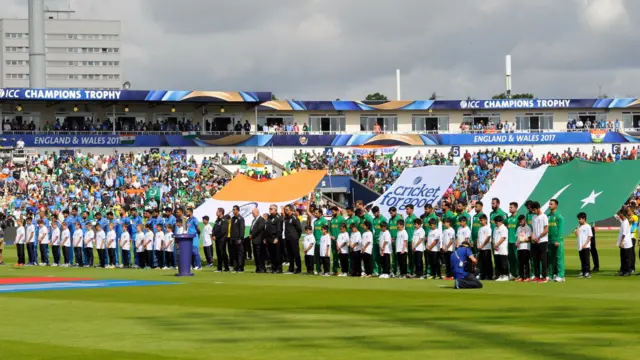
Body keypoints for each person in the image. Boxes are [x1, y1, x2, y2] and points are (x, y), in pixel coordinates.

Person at [546, 199, 565, 282]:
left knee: (559, 258)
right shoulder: (548, 216)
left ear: (556, 206)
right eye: (549, 204)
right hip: (549, 240)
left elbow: (560, 229)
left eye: (551, 204)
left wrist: (558, 240)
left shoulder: (559, 216)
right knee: (550, 258)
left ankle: (561, 276)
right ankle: (550, 275)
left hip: (557, 241)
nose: (549, 205)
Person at [531, 201, 549, 283]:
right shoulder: (533, 217)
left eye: (534, 210)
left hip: (542, 241)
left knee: (543, 259)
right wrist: (533, 236)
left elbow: (546, 230)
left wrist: (539, 237)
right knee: (536, 259)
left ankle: (544, 277)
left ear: (538, 208)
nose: (533, 211)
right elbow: (532, 230)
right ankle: (537, 276)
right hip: (535, 241)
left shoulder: (544, 216)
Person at [283, 205, 303, 274]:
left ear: (291, 210)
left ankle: (299, 269)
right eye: (285, 209)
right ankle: (291, 268)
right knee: (290, 254)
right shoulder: (286, 218)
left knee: (296, 254)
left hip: (293, 239)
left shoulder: (294, 218)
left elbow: (299, 229)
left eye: (287, 209)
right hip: (287, 238)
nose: (286, 211)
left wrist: (297, 237)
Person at [266, 205, 283, 274]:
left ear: (275, 210)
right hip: (269, 238)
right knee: (271, 254)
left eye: (271, 209)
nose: (269, 210)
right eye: (269, 208)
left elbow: (279, 229)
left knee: (277, 254)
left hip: (275, 238)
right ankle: (273, 267)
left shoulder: (278, 217)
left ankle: (279, 268)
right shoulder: (269, 217)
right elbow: (267, 228)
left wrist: (277, 238)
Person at [615, 209, 632, 276]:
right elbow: (619, 219)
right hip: (624, 243)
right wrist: (615, 215)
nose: (619, 215)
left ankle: (627, 271)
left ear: (622, 214)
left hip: (626, 243)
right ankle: (623, 270)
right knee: (623, 258)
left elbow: (624, 234)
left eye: (620, 214)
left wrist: (621, 243)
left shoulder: (625, 222)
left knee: (626, 258)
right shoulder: (623, 221)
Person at [575, 212, 593, 279]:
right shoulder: (579, 226)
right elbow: (577, 236)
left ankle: (587, 272)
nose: (579, 220)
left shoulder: (588, 226)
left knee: (586, 259)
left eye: (580, 219)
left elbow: (590, 236)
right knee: (582, 259)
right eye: (578, 219)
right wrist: (576, 232)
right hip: (580, 245)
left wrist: (585, 244)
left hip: (586, 246)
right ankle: (583, 271)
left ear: (584, 219)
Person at [229, 205, 246, 272]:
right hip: (233, 239)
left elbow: (242, 229)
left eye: (234, 209)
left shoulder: (240, 219)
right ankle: (235, 267)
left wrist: (240, 238)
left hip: (238, 239)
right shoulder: (233, 218)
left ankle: (240, 267)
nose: (233, 211)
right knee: (234, 254)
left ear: (238, 210)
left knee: (240, 253)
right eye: (233, 209)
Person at [515, 215, 532, 282]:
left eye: (521, 221)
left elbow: (529, 239)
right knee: (520, 262)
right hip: (519, 248)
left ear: (524, 220)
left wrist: (521, 241)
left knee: (526, 262)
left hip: (526, 247)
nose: (520, 223)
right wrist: (517, 242)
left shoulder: (528, 228)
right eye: (519, 221)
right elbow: (517, 237)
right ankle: (521, 276)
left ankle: (527, 276)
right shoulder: (518, 228)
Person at [249, 208, 266, 273]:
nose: (252, 214)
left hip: (259, 239)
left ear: (257, 212)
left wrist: (252, 235)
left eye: (253, 213)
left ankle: (262, 268)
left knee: (259, 255)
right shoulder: (254, 220)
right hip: (254, 240)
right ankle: (258, 268)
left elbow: (259, 229)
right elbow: (252, 228)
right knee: (255, 254)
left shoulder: (261, 219)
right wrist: (250, 234)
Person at [371, 206, 387, 276]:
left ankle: (384, 271)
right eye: (374, 213)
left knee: (382, 257)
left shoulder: (383, 219)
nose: (375, 215)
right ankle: (377, 271)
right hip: (375, 241)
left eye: (375, 213)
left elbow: (387, 229)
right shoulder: (374, 220)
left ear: (378, 211)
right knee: (375, 257)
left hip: (381, 241)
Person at [312, 208, 329, 275]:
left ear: (321, 213)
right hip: (316, 241)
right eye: (315, 213)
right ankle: (318, 270)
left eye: (316, 213)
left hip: (322, 242)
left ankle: (326, 271)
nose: (315, 214)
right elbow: (314, 232)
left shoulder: (324, 221)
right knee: (317, 257)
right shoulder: (315, 221)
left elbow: (326, 231)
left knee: (324, 257)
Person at [329, 206, 345, 274]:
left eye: (333, 212)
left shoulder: (341, 219)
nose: (332, 213)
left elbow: (344, 229)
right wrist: (330, 236)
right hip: (333, 241)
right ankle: (335, 270)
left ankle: (344, 270)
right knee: (334, 255)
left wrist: (339, 237)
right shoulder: (332, 219)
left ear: (337, 211)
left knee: (342, 256)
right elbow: (329, 229)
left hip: (340, 241)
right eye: (331, 212)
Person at [492, 216, 509, 281]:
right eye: (495, 222)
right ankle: (500, 275)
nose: (496, 223)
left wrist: (497, 244)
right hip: (496, 249)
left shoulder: (504, 228)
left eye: (497, 222)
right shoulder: (495, 228)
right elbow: (493, 238)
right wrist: (494, 245)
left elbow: (503, 238)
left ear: (501, 222)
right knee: (498, 262)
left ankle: (505, 275)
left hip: (502, 248)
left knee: (503, 262)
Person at [477, 214, 493, 280]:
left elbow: (488, 238)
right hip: (481, 248)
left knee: (487, 262)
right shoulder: (480, 228)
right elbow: (478, 238)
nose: (481, 222)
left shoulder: (488, 228)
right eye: (480, 220)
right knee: (482, 262)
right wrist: (478, 245)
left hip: (486, 248)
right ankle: (482, 275)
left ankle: (489, 276)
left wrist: (482, 245)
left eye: (482, 220)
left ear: (486, 220)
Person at [506, 202, 519, 280]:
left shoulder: (518, 218)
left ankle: (519, 273)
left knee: (517, 258)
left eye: (511, 207)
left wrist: (518, 240)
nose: (510, 209)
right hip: (509, 241)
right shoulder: (509, 218)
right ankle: (513, 274)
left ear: (516, 208)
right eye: (509, 207)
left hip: (516, 241)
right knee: (510, 259)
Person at [404, 204, 418, 275]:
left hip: (412, 241)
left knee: (413, 257)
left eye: (408, 209)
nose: (406, 210)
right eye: (406, 209)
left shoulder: (414, 218)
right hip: (407, 241)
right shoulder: (406, 219)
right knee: (409, 257)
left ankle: (415, 271)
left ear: (412, 210)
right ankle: (410, 271)